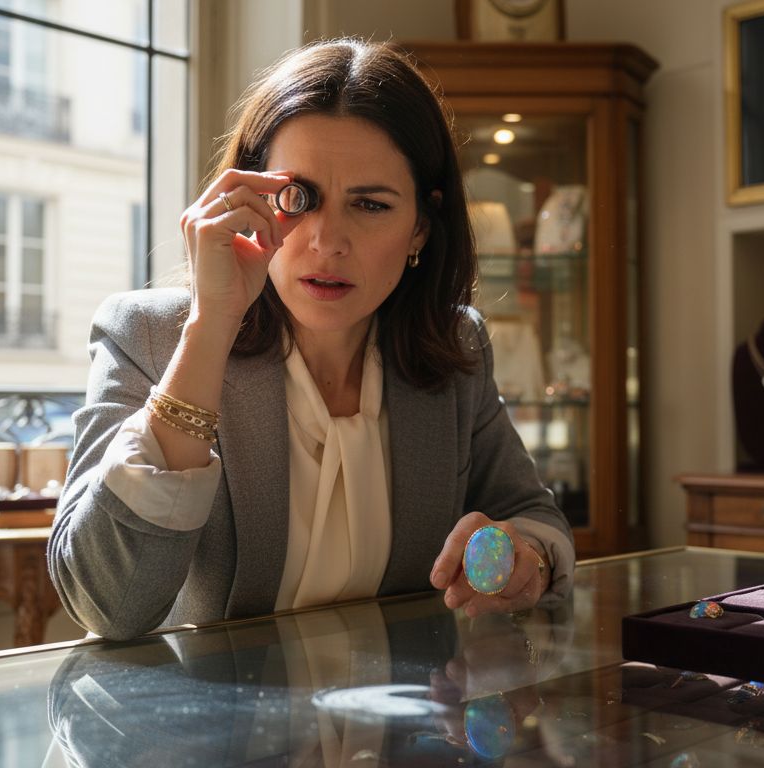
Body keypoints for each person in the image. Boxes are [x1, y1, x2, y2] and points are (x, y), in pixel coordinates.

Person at [48, 38, 575, 641]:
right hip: (213, 706)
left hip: (403, 702)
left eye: (370, 205)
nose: (327, 242)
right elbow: (105, 606)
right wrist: (211, 325)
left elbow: (536, 520)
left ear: (420, 230)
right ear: (245, 199)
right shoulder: (149, 337)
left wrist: (523, 556)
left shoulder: (455, 347)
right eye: (297, 198)